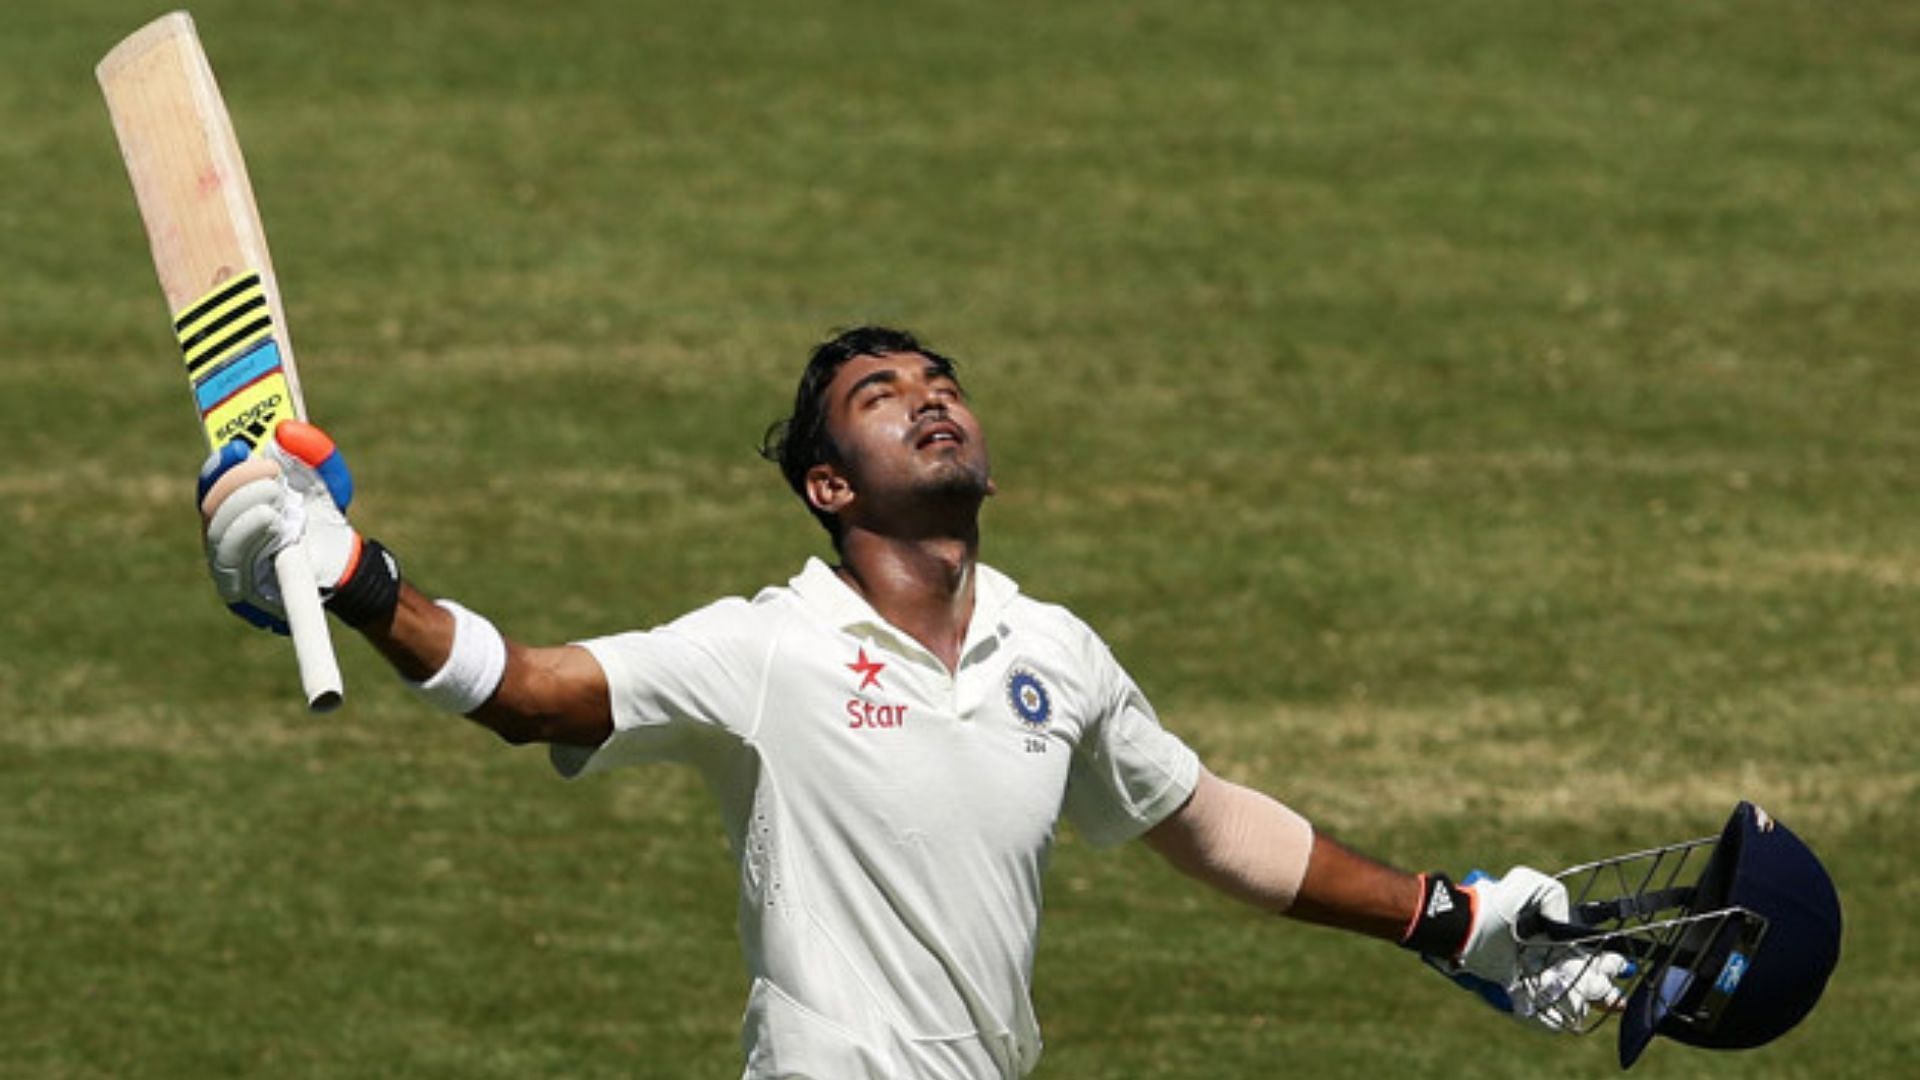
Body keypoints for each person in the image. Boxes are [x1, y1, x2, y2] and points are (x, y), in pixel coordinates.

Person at [197, 326, 1622, 1078]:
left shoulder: (1053, 650)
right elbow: (534, 693)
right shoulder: (772, 650)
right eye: (884, 396)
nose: (932, 401)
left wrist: (1455, 919)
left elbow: (1205, 824)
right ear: (831, 484)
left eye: (942, 384)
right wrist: (363, 579)